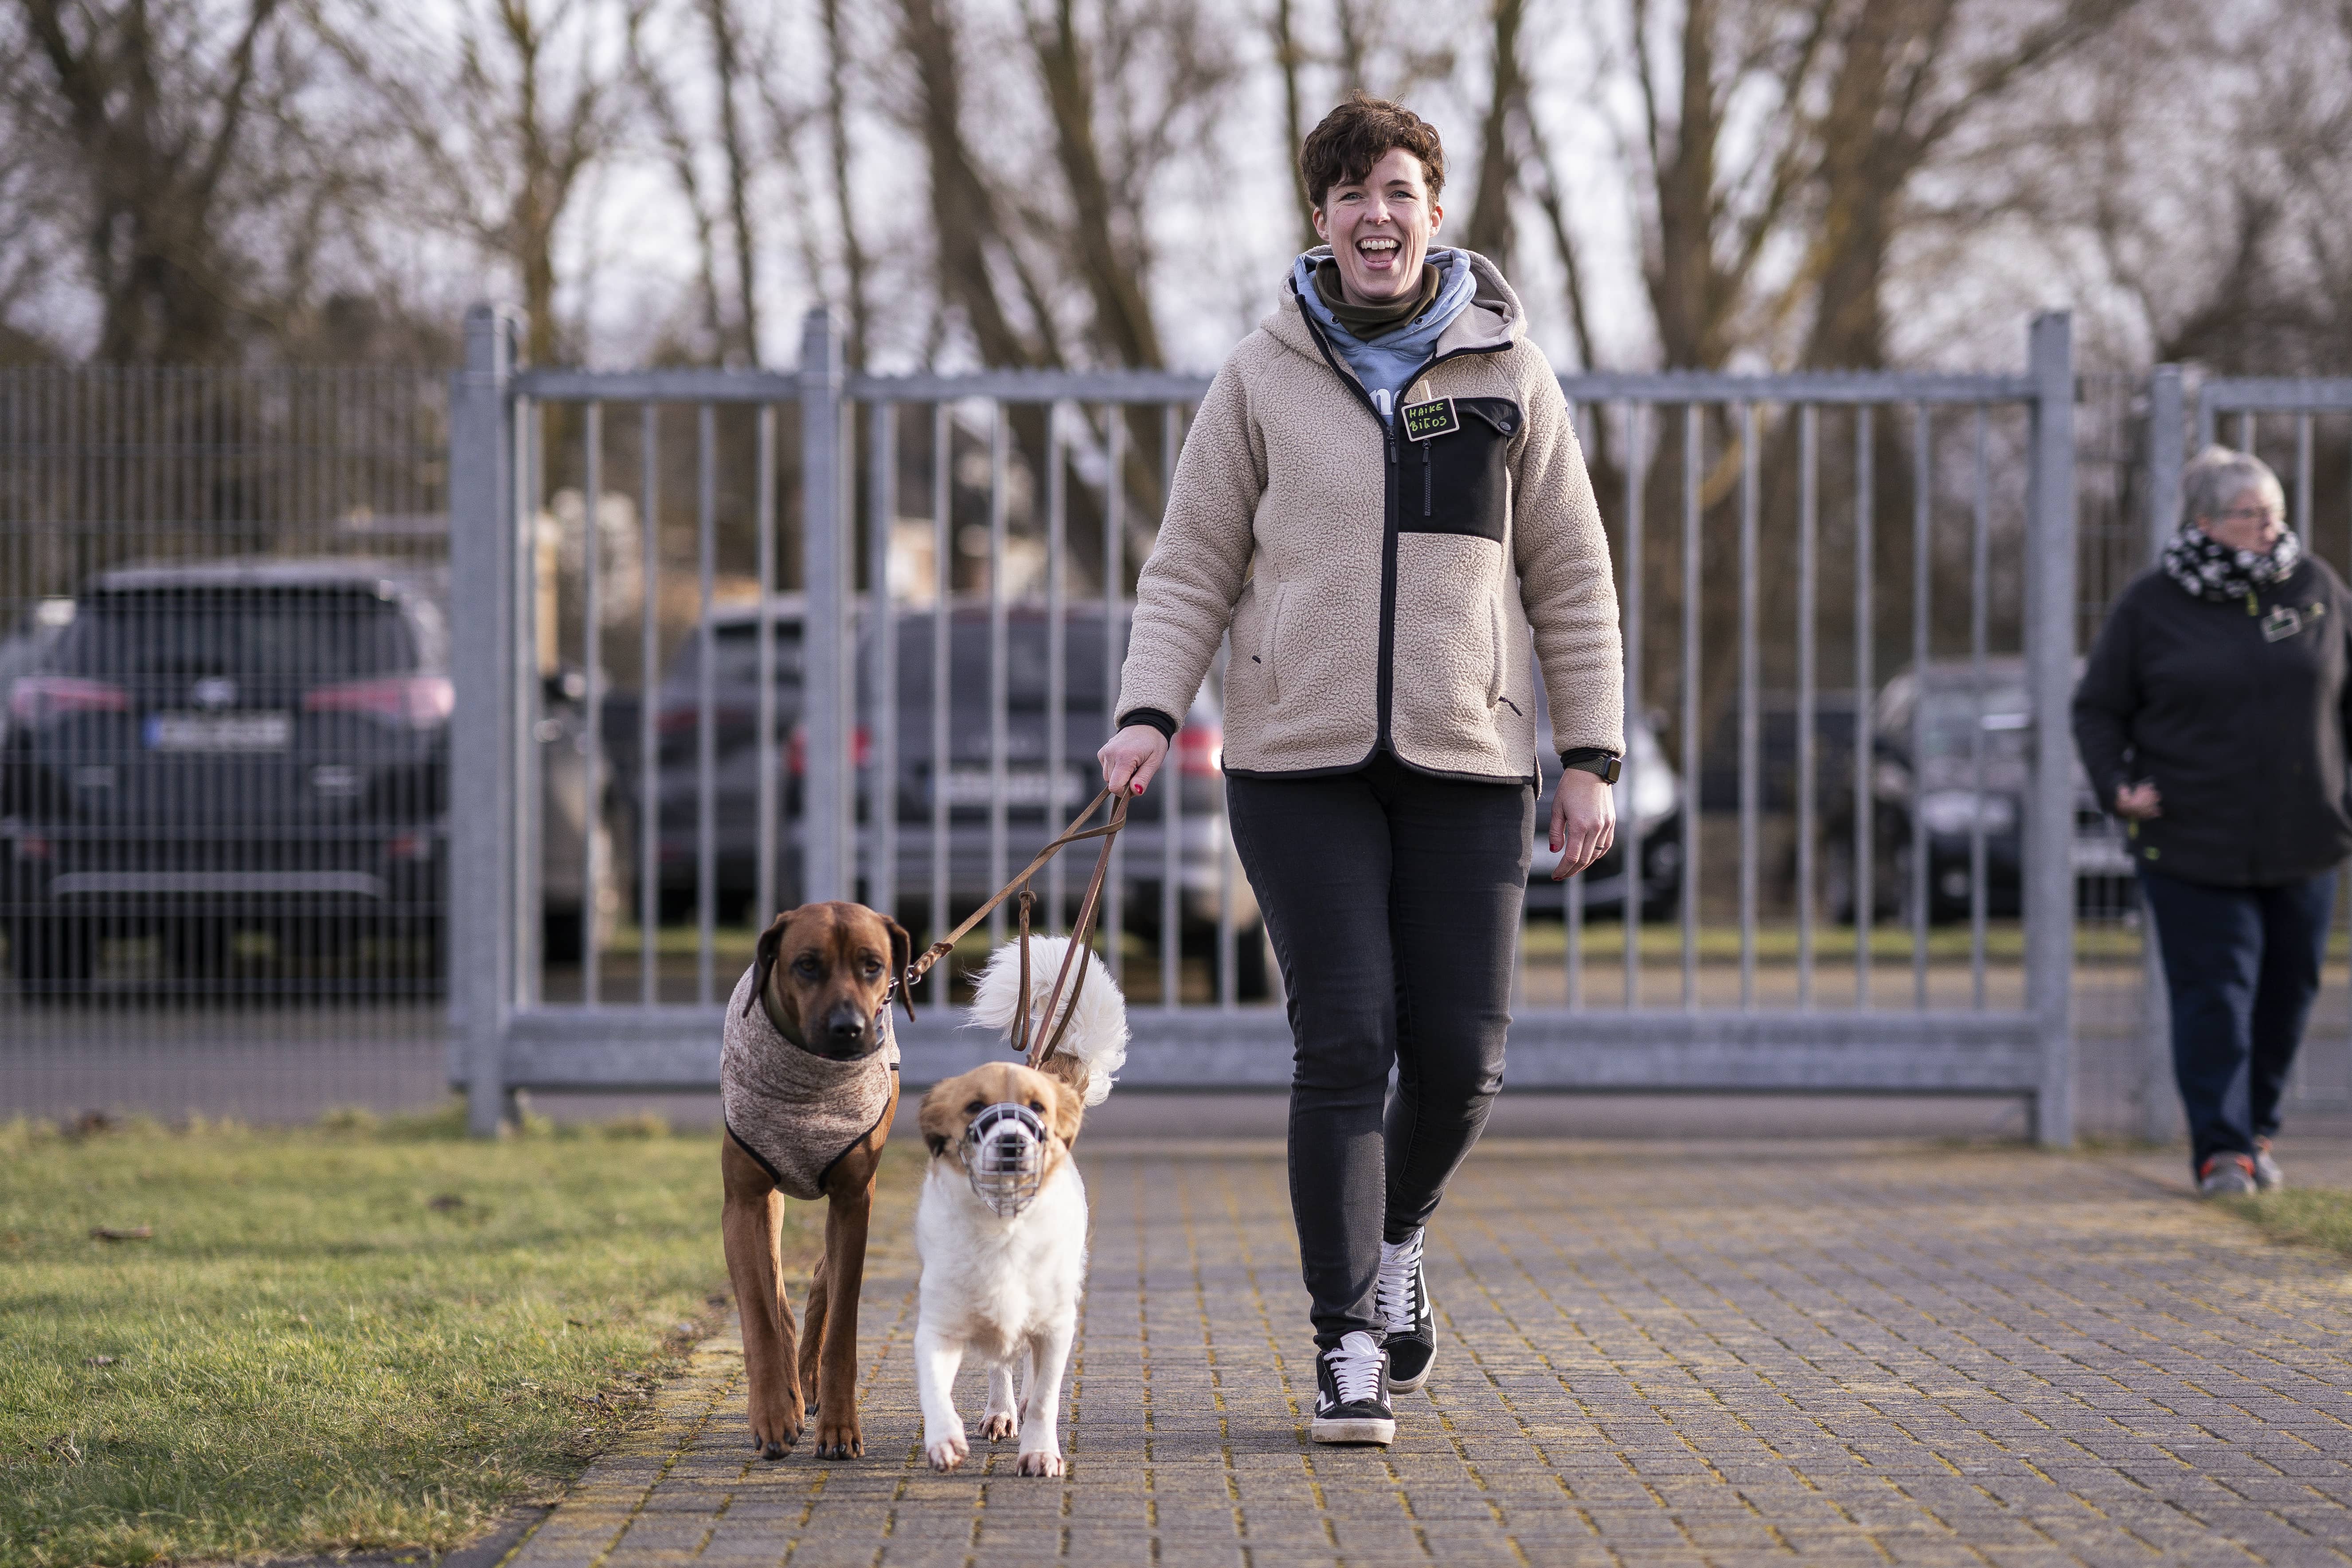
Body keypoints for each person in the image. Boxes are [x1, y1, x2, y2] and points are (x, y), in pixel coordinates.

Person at [1097, 94, 1623, 1445]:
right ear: (1318, 220)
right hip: (1296, 761)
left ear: (1433, 213)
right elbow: (1192, 562)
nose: (1373, 215)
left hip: (1467, 756)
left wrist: (1590, 752)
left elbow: (1570, 577)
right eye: (1346, 195)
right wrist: (1151, 710)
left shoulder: (1510, 371)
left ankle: (1396, 1239)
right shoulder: (1260, 376)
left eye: (1397, 190)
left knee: (1460, 1057)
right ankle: (1343, 1341)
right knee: (1345, 1038)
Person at [2074, 445, 2352, 1197]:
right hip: (2192, 837)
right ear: (2202, 523)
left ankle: (2256, 1129)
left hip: (2304, 835)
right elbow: (2098, 708)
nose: (2269, 527)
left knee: (2287, 991)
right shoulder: (2151, 605)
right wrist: (2118, 785)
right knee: (2215, 995)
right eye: (2248, 515)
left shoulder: (2317, 588)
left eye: (2274, 512)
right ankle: (2220, 1150)